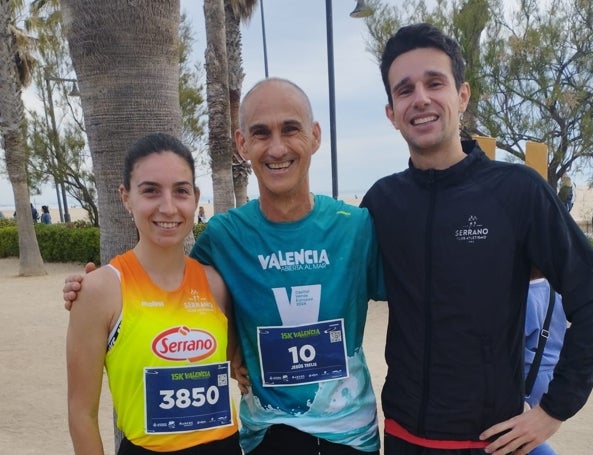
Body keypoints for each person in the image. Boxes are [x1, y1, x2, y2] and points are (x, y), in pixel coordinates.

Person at [64, 79, 385, 455]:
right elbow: (168, 285)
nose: (277, 147)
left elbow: (427, 297)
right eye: (261, 133)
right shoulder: (223, 237)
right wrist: (90, 289)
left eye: (291, 129)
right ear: (241, 144)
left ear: (315, 136)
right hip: (266, 436)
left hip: (350, 436)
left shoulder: (356, 226)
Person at [361, 23, 593, 455]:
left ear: (462, 96)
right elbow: (336, 290)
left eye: (434, 83)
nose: (420, 98)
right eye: (404, 90)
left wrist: (553, 410)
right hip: (404, 437)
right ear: (391, 113)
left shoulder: (517, 191)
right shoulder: (382, 202)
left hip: (491, 442)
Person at [66, 133, 241, 454]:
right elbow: (81, 414)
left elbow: (234, 363)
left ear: (195, 197)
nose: (168, 207)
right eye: (150, 191)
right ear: (126, 197)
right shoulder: (99, 290)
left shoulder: (216, 283)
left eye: (181, 191)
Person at [524, 268, 567, 455]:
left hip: (524, 379)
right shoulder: (553, 290)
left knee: (516, 438)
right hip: (546, 376)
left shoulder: (521, 298)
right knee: (528, 438)